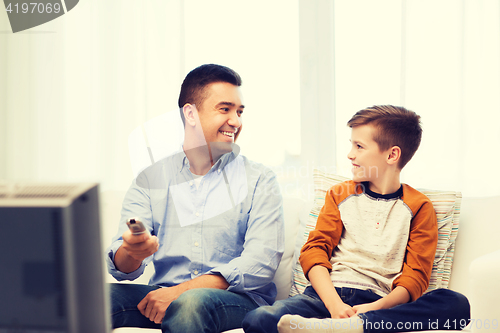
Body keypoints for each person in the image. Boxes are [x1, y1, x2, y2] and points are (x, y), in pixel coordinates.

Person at [242, 105, 470, 333]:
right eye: (351, 145)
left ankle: (352, 327)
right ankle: (339, 327)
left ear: (392, 155)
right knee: (258, 318)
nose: (350, 154)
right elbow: (314, 251)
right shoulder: (339, 194)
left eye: (359, 146)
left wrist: (374, 308)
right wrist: (335, 306)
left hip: (379, 306)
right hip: (325, 297)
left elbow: (415, 277)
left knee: (456, 304)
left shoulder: (419, 206)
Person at [107, 64, 284, 333]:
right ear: (190, 113)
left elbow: (259, 264)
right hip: (163, 295)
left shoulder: (260, 179)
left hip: (236, 301)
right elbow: (122, 267)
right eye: (225, 109)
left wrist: (180, 292)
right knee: (98, 299)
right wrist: (131, 251)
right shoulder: (150, 179)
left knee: (190, 302)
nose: (236, 121)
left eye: (239, 112)